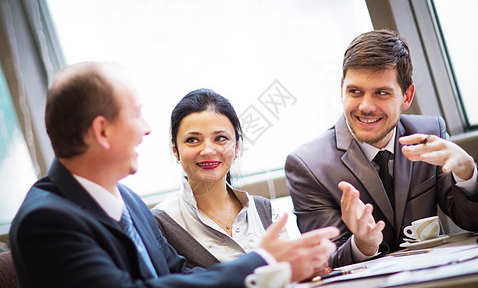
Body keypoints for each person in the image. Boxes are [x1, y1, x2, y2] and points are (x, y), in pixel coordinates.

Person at [9, 61, 339, 287]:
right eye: (136, 115)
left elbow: (177, 272)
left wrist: (276, 270)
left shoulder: (126, 199)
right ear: (102, 131)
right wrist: (262, 262)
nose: (147, 129)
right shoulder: (46, 221)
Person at [285, 29, 478, 268]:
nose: (366, 106)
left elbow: (472, 221)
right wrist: (362, 245)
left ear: (406, 97)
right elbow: (324, 261)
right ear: (342, 89)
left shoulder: (430, 133)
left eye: (381, 93)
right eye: (355, 91)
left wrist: (467, 172)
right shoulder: (308, 165)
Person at [152, 89, 289, 269]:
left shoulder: (264, 211)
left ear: (237, 147)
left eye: (221, 138)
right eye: (193, 140)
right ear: (175, 151)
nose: (208, 150)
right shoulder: (160, 223)